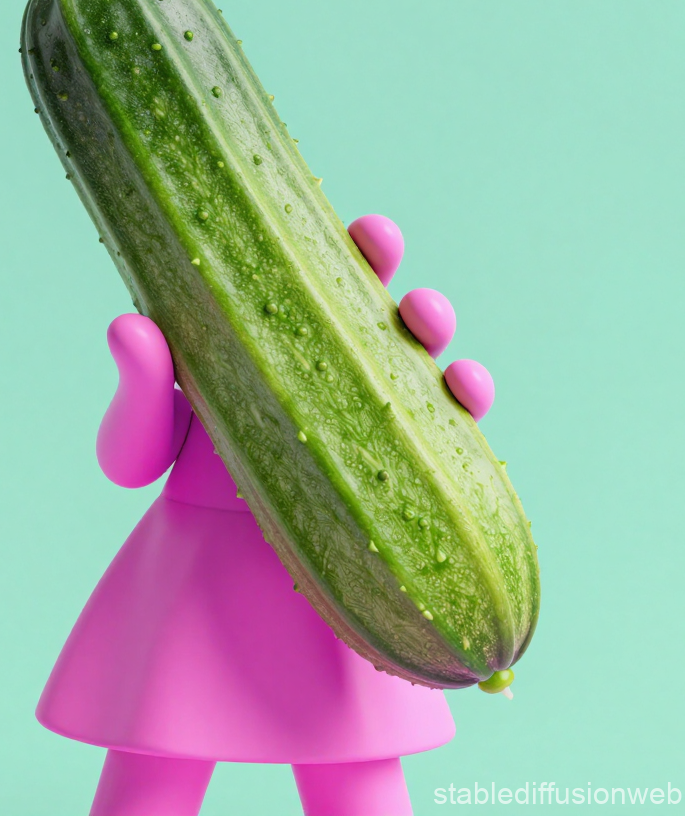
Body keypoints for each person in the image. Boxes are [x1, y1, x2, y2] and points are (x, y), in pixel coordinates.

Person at [36, 215, 496, 816]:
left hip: (337, 583)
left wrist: (433, 431)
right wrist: (144, 384)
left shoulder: (357, 385)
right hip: (201, 582)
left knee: (352, 760)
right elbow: (129, 465)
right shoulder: (205, 370)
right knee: (161, 743)